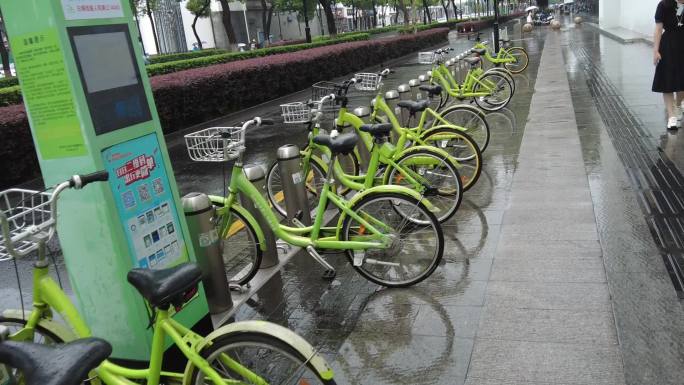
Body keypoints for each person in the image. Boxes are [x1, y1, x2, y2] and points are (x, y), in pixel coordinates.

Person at [652, 0, 684, 130]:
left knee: (682, 81)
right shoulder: (664, 5)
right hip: (668, 46)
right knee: (668, 80)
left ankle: (678, 105)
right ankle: (671, 117)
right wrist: (656, 50)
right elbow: (658, 28)